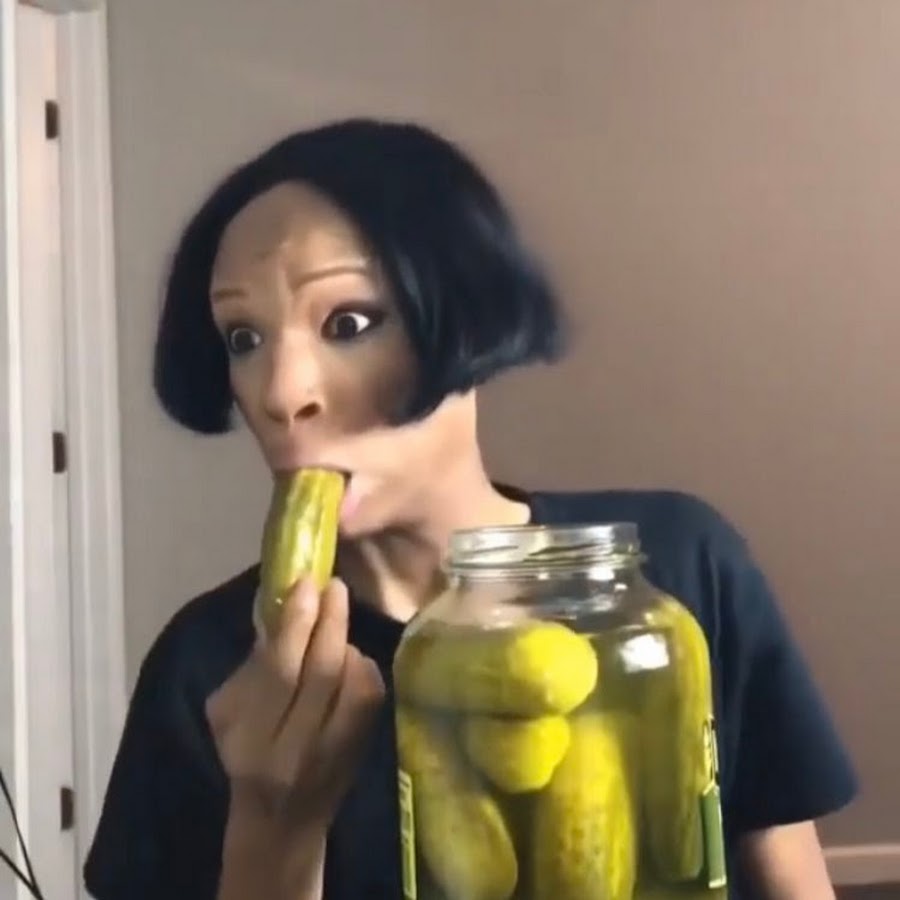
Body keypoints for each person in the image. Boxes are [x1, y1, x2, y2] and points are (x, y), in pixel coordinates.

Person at [83, 118, 856, 900]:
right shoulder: (207, 667)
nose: (282, 393)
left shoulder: (674, 568)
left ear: (467, 312)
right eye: (243, 338)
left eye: (348, 323)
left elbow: (793, 878)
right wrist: (272, 828)